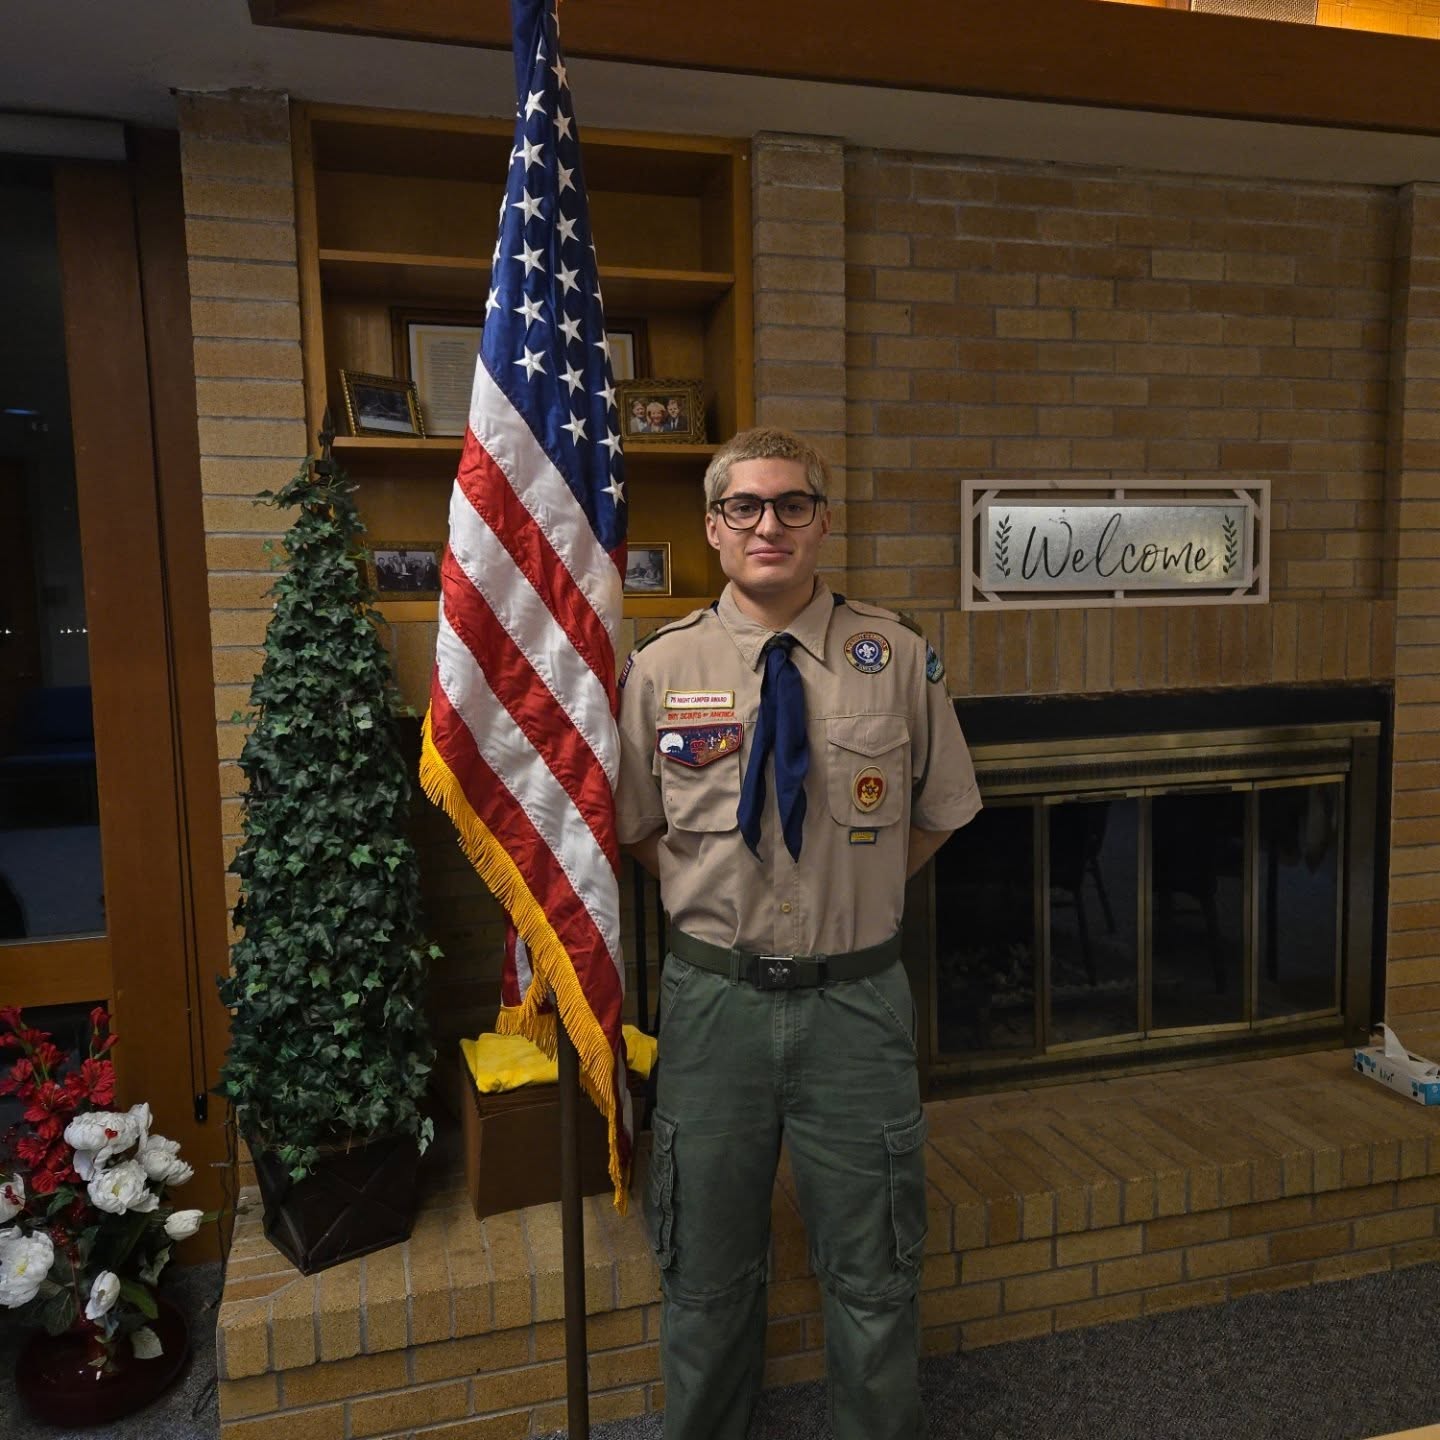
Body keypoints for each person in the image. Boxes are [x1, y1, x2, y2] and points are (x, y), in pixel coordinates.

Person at [616, 426, 981, 1440]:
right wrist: (710, 894)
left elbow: (940, 810)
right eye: (744, 506)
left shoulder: (893, 657)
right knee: (703, 1276)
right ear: (713, 527)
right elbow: (639, 826)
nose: (767, 524)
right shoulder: (662, 667)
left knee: (875, 1275)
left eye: (791, 505)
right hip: (713, 1008)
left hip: (855, 1008)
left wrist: (855, 892)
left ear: (822, 522)